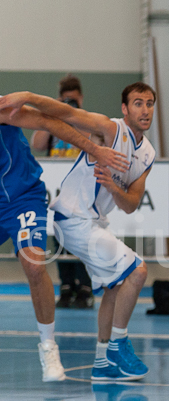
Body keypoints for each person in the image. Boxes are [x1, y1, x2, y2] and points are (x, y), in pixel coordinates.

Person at [0, 82, 157, 381]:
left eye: (149, 103)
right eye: (138, 103)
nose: (145, 110)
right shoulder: (110, 129)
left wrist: (112, 185)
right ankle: (118, 346)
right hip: (73, 219)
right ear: (125, 108)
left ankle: (104, 359)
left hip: (82, 218)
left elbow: (131, 204)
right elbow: (62, 114)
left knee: (120, 282)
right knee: (135, 272)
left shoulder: (145, 153)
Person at [31, 74, 95, 309]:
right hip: (56, 188)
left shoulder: (86, 119)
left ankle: (85, 287)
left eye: (73, 100)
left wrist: (76, 116)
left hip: (80, 189)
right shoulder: (53, 120)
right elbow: (37, 145)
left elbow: (94, 141)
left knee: (80, 237)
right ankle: (67, 287)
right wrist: (53, 114)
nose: (70, 104)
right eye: (66, 100)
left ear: (81, 98)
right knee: (58, 236)